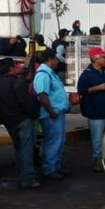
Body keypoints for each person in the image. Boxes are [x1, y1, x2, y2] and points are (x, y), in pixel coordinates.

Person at [0, 58, 39, 189]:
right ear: (11, 69)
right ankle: (27, 178)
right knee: (26, 150)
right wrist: (34, 114)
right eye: (14, 66)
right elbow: (26, 104)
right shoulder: (17, 83)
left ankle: (21, 174)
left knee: (18, 149)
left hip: (8, 121)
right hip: (22, 120)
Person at [76, 48, 105, 172]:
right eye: (103, 57)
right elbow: (82, 90)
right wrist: (98, 88)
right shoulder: (87, 73)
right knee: (97, 140)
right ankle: (98, 160)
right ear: (96, 58)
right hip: (95, 112)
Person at [33, 50, 71, 180]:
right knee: (52, 142)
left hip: (56, 113)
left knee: (58, 142)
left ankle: (55, 167)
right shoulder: (43, 74)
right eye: (55, 59)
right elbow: (42, 95)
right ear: (49, 59)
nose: (57, 62)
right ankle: (50, 169)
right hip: (51, 115)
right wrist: (51, 112)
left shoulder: (50, 74)